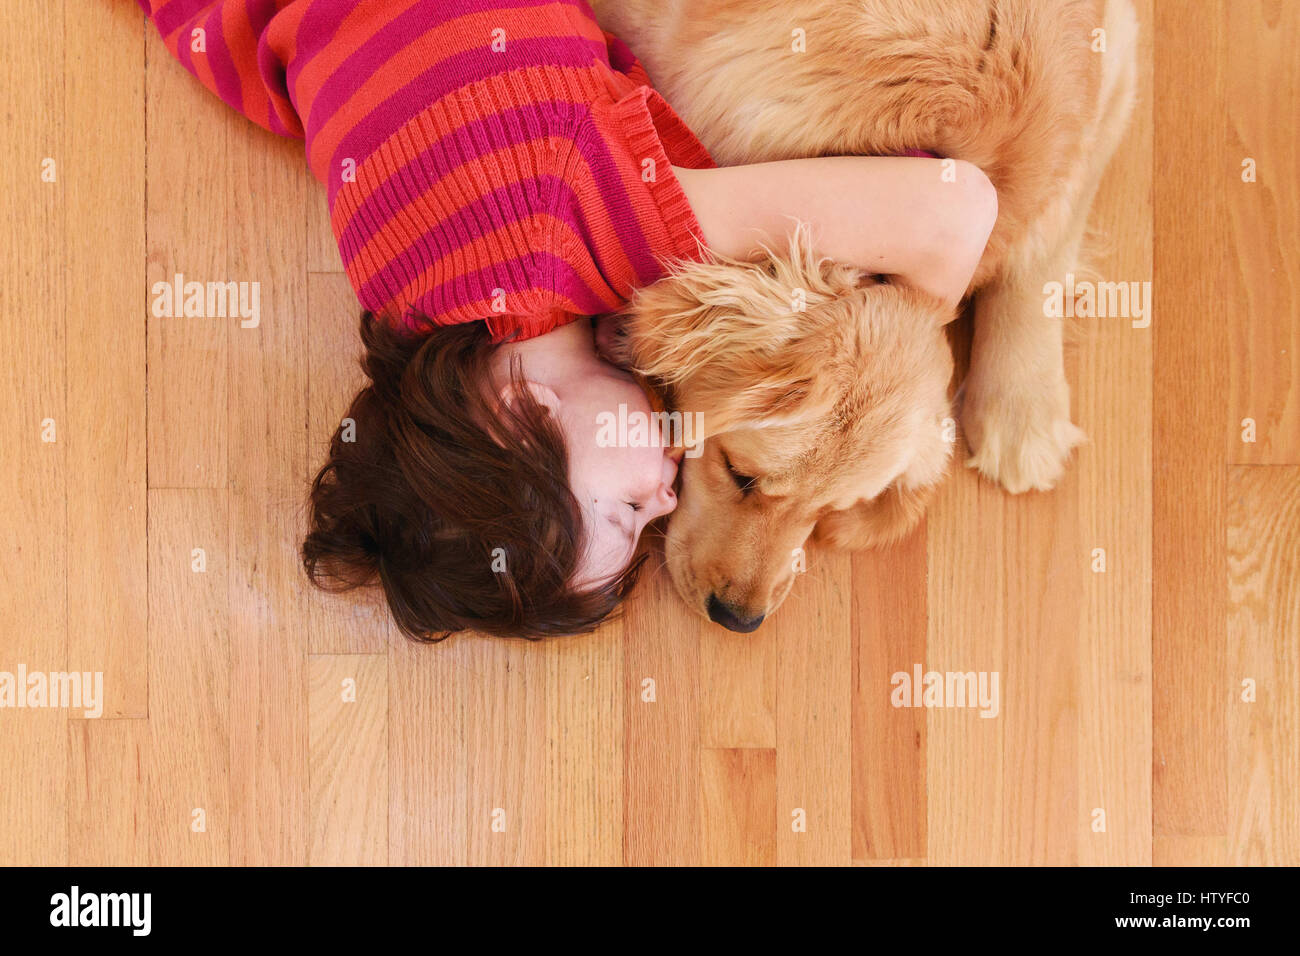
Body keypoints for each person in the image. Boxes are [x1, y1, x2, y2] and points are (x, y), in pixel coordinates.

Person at [139, 0, 996, 640]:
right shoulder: (401, 299)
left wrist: (911, 348)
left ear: (524, 415)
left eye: (626, 510)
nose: (665, 495)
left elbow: (956, 213)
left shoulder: (583, 226)